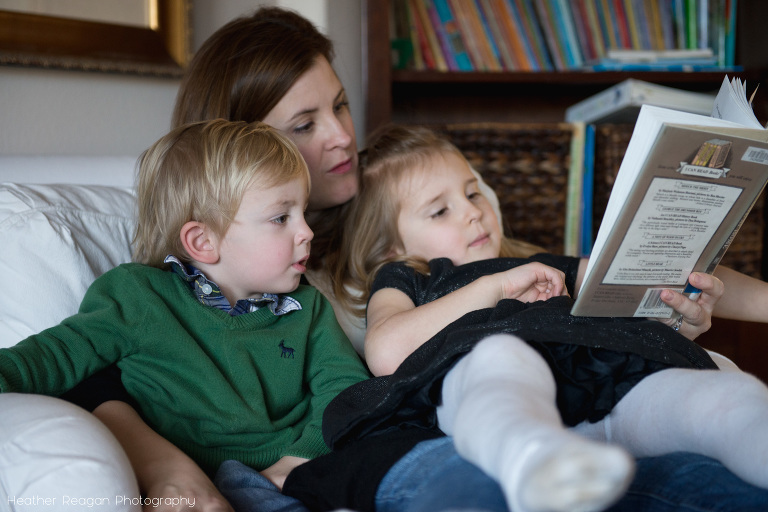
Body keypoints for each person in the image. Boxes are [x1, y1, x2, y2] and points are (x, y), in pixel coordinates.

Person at [41, 6, 768, 512]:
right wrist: (152, 452)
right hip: (454, 432)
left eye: (340, 106)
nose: (339, 138)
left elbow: (579, 276)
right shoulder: (277, 273)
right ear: (235, 149)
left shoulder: (410, 199)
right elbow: (112, 354)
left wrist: (657, 311)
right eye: (303, 124)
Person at [298, 124, 768, 512]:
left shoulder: (539, 263)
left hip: (609, 385)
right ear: (390, 248)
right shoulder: (408, 278)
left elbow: (663, 269)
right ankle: (536, 463)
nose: (473, 214)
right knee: (501, 356)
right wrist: (494, 288)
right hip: (493, 379)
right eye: (441, 210)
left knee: (727, 394)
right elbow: (385, 349)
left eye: (473, 194)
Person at [0, 119, 370, 503]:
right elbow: (51, 357)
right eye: (281, 218)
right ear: (202, 240)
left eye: (303, 213)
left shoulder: (307, 308)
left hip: (302, 467)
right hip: (207, 485)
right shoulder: (138, 295)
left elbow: (344, 387)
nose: (307, 231)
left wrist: (302, 456)